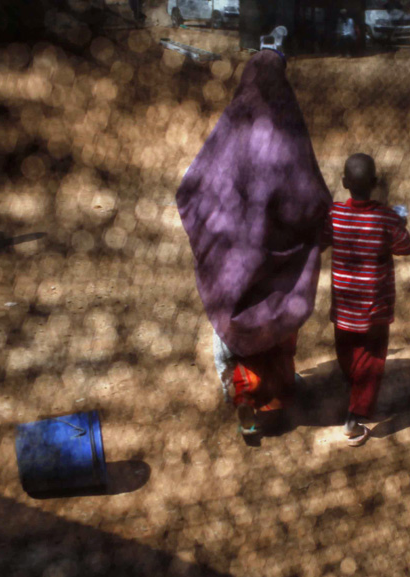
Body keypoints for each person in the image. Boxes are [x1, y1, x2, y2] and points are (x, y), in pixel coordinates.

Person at [177, 36, 331, 441]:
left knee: (231, 348)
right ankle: (278, 401)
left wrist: (216, 238)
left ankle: (249, 414)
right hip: (278, 272)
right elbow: (310, 198)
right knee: (277, 341)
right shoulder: (287, 132)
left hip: (232, 270)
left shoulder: (231, 127)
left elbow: (190, 189)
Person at [324, 153, 410, 445]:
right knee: (372, 360)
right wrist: (400, 222)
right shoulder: (386, 217)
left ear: (343, 183)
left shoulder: (334, 214)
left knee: (348, 352)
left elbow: (323, 238)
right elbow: (405, 247)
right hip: (375, 308)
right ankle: (355, 416)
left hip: (344, 306)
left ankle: (354, 389)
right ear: (375, 183)